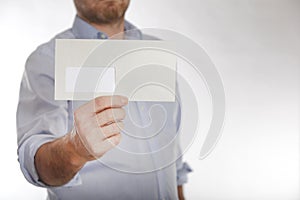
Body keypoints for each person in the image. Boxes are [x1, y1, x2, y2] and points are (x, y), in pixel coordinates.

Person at [17, 0, 191, 199]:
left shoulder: (157, 53)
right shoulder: (47, 60)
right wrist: (75, 149)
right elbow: (36, 163)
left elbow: (172, 154)